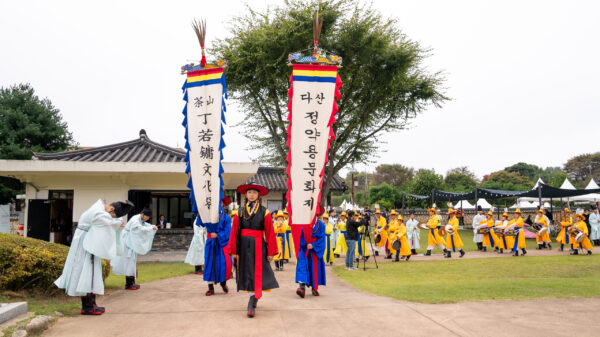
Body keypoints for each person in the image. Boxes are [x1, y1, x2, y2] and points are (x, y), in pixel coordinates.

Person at [55, 199, 133, 315]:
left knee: (89, 273)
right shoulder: (98, 212)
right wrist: (117, 223)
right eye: (112, 215)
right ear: (111, 209)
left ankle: (91, 304)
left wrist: (116, 223)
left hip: (86, 243)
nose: (110, 217)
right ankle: (88, 306)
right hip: (86, 245)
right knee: (87, 273)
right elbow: (106, 223)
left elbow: (106, 223)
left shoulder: (98, 209)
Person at [229, 182, 278, 318]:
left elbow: (269, 232)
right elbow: (233, 232)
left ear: (258, 195)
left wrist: (271, 252)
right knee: (246, 272)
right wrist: (233, 250)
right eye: (249, 192)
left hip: (258, 245)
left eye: (254, 193)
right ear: (246, 195)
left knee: (258, 272)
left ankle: (252, 301)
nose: (251, 195)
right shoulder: (239, 212)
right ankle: (253, 297)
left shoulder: (265, 212)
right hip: (243, 246)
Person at [111, 206, 158, 290]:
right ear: (142, 214)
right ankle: (128, 284)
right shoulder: (135, 220)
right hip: (127, 242)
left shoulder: (140, 219)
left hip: (130, 242)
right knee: (129, 261)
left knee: (132, 261)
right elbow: (140, 229)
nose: (147, 219)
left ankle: (131, 282)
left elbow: (144, 225)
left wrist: (152, 226)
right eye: (147, 217)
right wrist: (151, 228)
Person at [204, 197, 233, 296]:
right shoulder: (207, 217)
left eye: (219, 202)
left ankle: (223, 283)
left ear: (223, 204)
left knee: (222, 264)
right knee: (209, 264)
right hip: (210, 243)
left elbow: (228, 231)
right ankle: (210, 288)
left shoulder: (226, 218)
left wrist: (218, 235)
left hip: (221, 244)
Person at [296, 208, 326, 298]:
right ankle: (302, 288)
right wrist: (305, 243)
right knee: (302, 266)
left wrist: (313, 245)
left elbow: (322, 238)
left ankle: (314, 288)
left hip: (315, 250)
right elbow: (299, 235)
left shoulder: (321, 225)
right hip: (304, 248)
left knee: (315, 268)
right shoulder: (302, 223)